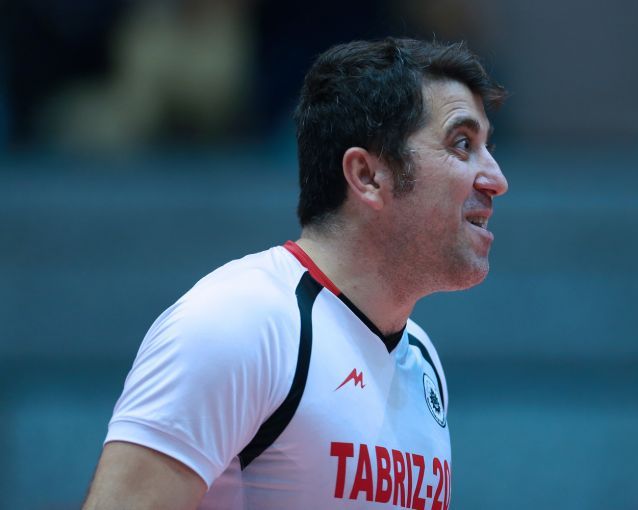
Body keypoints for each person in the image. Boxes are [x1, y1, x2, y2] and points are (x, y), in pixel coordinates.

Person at [82, 37, 508, 509]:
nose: (497, 179)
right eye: (462, 144)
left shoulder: (421, 358)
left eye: (487, 147)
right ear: (367, 175)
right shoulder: (239, 323)